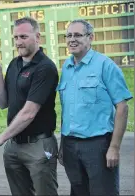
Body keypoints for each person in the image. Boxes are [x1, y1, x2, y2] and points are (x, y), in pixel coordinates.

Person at [57, 19, 133, 196]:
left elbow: (122, 107)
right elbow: (67, 110)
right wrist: (62, 144)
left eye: (77, 35)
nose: (72, 39)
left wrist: (114, 147)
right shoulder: (66, 68)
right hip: (70, 145)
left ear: (90, 37)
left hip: (98, 146)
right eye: (68, 35)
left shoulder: (106, 66)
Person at [0, 17, 59, 196]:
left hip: (39, 146)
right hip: (14, 147)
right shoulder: (14, 64)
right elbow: (4, 103)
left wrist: (0, 138)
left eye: (24, 37)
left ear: (37, 37)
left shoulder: (45, 68)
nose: (19, 42)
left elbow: (29, 113)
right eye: (16, 38)